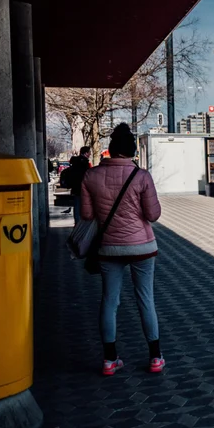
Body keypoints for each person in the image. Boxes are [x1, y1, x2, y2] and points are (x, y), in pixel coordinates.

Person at [80, 123, 164, 376]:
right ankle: (155, 357)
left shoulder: (91, 176)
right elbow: (153, 214)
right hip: (141, 247)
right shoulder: (142, 176)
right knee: (145, 299)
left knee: (109, 300)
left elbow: (86, 214)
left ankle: (109, 359)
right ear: (131, 152)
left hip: (108, 248)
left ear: (110, 149)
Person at [59, 146, 92, 217]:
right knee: (82, 206)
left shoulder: (75, 162)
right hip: (82, 188)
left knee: (77, 206)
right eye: (89, 152)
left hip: (75, 188)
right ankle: (80, 224)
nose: (90, 154)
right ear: (86, 153)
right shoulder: (84, 163)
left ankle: (77, 223)